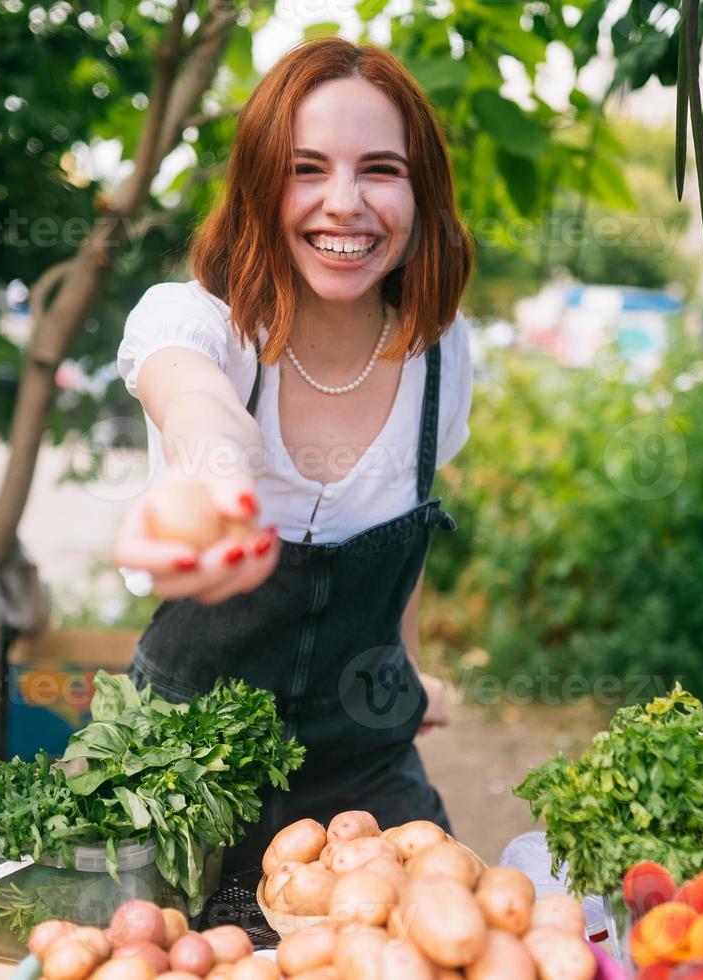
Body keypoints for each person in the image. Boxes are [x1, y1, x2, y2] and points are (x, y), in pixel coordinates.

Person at [111, 36, 474, 877]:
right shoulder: (202, 323)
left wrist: (408, 675)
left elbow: (402, 536)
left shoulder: (445, 355)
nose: (342, 203)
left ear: (421, 193)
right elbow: (194, 402)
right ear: (258, 188)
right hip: (174, 780)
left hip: (366, 779)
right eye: (305, 169)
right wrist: (217, 479)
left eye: (379, 169)